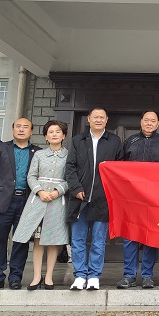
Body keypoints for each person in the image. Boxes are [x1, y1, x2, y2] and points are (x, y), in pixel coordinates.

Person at [65, 107, 124, 291]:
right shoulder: (78, 140)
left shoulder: (114, 141)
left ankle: (94, 276)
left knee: (98, 241)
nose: (98, 120)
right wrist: (75, 188)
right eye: (95, 117)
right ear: (88, 119)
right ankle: (80, 275)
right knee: (78, 240)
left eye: (102, 117)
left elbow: (120, 169)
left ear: (107, 120)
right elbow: (70, 167)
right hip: (80, 199)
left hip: (102, 198)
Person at [0, 117, 40, 290]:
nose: (21, 130)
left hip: (27, 202)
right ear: (13, 129)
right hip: (1, 201)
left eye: (25, 127)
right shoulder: (0, 148)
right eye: (18, 126)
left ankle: (15, 277)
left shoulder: (38, 152)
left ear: (31, 131)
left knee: (21, 241)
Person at [12, 120, 69, 290]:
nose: (54, 134)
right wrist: (40, 191)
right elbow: (31, 176)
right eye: (50, 132)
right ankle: (37, 276)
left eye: (58, 131)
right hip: (38, 200)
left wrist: (58, 191)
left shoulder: (69, 155)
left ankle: (49, 276)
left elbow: (71, 178)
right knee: (38, 240)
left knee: (53, 240)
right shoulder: (39, 154)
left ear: (64, 135)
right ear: (45, 136)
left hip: (57, 201)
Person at [118, 111, 159, 290]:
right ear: (141, 122)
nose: (149, 123)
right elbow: (119, 166)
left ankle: (147, 275)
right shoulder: (130, 141)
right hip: (131, 198)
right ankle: (129, 275)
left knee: (150, 237)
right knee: (130, 236)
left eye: (153, 121)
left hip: (154, 198)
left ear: (157, 124)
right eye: (146, 120)